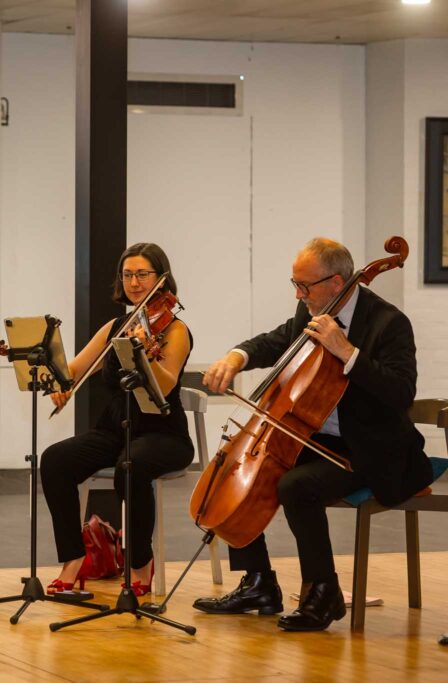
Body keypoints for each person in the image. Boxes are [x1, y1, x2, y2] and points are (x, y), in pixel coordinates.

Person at [193, 237, 433, 631]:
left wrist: (348, 352)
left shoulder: (389, 323)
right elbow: (275, 341)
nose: (299, 295)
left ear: (337, 282)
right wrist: (236, 357)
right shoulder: (311, 310)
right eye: (296, 284)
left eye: (305, 286)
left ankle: (324, 592)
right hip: (317, 438)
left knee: (296, 485)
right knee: (238, 473)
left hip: (372, 447)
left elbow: (401, 393)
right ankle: (258, 582)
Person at [40, 243, 193, 598]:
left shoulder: (175, 330)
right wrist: (57, 381)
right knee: (54, 460)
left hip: (162, 433)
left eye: (142, 274)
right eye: (127, 275)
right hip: (115, 429)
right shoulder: (116, 327)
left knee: (130, 466)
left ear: (161, 278)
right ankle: (74, 558)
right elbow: (73, 369)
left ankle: (140, 563)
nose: (134, 282)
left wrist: (143, 355)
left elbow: (165, 384)